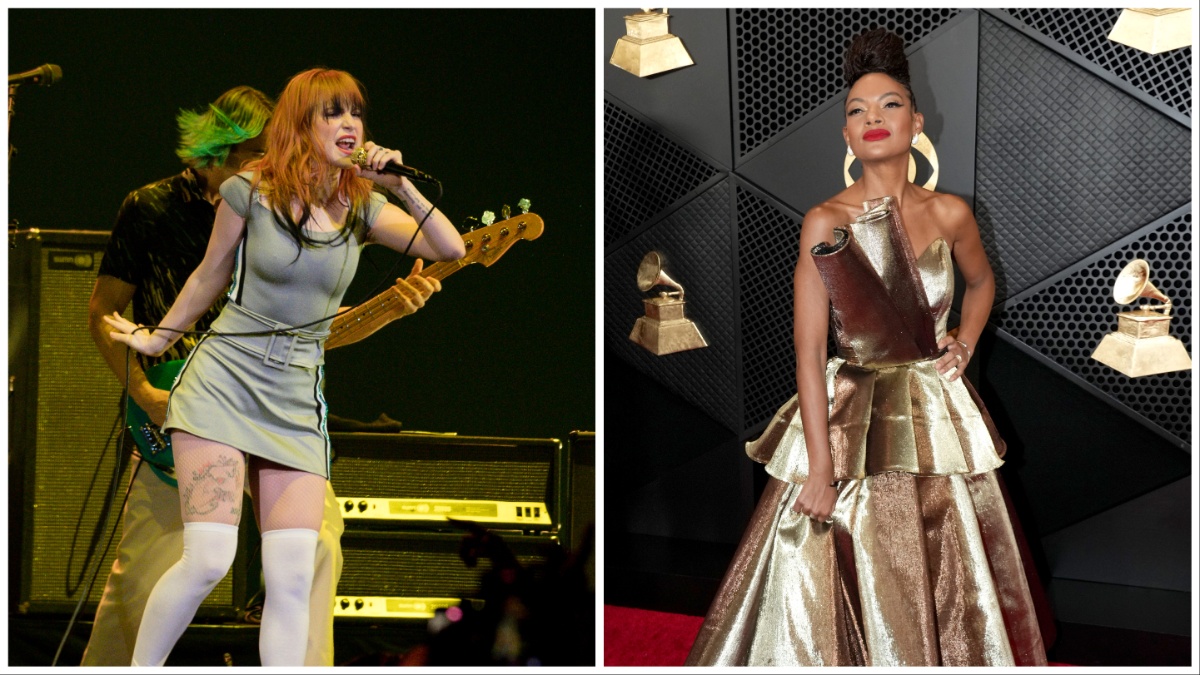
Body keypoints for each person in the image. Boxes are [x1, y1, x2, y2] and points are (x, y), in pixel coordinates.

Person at [685, 30, 1046, 666]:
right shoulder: (826, 221)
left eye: (889, 105)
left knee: (945, 564)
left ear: (917, 120)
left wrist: (963, 339)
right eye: (857, 111)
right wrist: (819, 469)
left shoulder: (952, 214)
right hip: (852, 416)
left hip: (935, 417)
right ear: (846, 136)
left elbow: (983, 282)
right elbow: (809, 351)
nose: (873, 118)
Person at [103, 69, 462, 667]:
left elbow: (449, 248)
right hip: (224, 381)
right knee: (209, 559)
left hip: (295, 397)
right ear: (301, 124)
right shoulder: (251, 189)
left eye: (355, 113)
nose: (349, 124)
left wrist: (399, 186)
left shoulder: (362, 207)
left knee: (293, 574)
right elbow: (210, 273)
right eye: (332, 113)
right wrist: (155, 338)